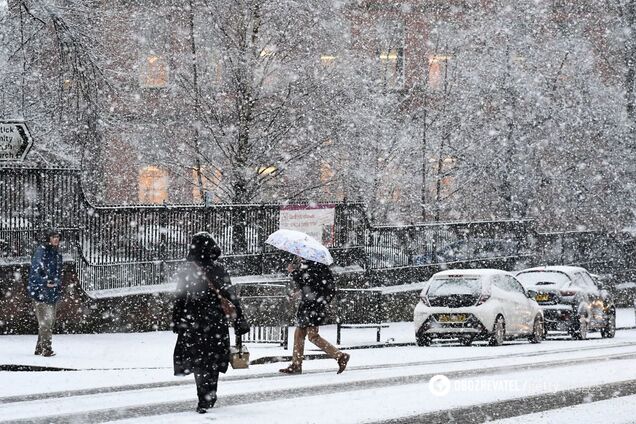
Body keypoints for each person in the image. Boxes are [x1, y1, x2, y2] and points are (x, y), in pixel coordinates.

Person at [172, 232, 250, 414]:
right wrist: (240, 320)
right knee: (212, 360)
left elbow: (180, 298)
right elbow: (231, 296)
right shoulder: (219, 269)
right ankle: (210, 394)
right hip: (215, 321)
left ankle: (202, 396)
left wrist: (177, 320)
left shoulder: (188, 271)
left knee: (199, 361)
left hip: (194, 322)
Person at [279, 257, 350, 375]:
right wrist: (300, 293)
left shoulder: (314, 267)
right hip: (312, 306)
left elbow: (308, 282)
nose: (300, 258)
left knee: (312, 336)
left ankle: (340, 356)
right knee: (299, 334)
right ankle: (296, 365)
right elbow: (311, 287)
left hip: (312, 307)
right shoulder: (318, 267)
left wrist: (293, 272)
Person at [27, 228, 64, 357]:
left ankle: (40, 347)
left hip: (52, 292)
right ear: (48, 238)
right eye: (53, 236)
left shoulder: (56, 253)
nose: (56, 239)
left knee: (49, 322)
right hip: (40, 293)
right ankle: (46, 349)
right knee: (46, 322)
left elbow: (58, 272)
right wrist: (44, 282)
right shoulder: (41, 251)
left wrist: (57, 284)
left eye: (58, 237)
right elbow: (35, 272)